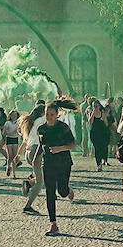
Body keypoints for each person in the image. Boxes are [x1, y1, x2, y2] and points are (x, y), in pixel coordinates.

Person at [39, 98, 78, 237]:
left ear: (56, 114)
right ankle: (53, 224)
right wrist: (35, 160)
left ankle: (67, 190)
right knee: (50, 192)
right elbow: (41, 146)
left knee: (61, 191)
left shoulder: (63, 127)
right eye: (47, 114)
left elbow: (73, 144)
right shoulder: (41, 128)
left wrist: (61, 148)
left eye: (51, 114)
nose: (49, 117)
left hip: (64, 163)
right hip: (48, 164)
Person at [19, 104, 46, 215]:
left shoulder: (32, 122)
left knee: (43, 175)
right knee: (40, 183)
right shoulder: (40, 120)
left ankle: (29, 183)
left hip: (30, 151)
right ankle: (28, 206)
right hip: (36, 151)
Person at [88, 99, 110, 171]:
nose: (95, 108)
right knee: (97, 148)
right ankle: (98, 164)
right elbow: (89, 123)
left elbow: (106, 123)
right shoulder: (91, 113)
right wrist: (93, 114)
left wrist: (103, 120)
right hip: (94, 133)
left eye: (96, 106)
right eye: (94, 106)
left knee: (102, 147)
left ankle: (103, 160)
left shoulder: (102, 113)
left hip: (102, 133)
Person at [2, 110, 21, 178]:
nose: (14, 116)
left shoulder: (18, 123)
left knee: (14, 156)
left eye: (15, 115)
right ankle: (8, 167)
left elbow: (20, 131)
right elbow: (4, 132)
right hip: (9, 138)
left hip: (15, 139)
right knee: (10, 156)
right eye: (13, 115)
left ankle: (14, 173)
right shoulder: (7, 123)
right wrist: (8, 132)